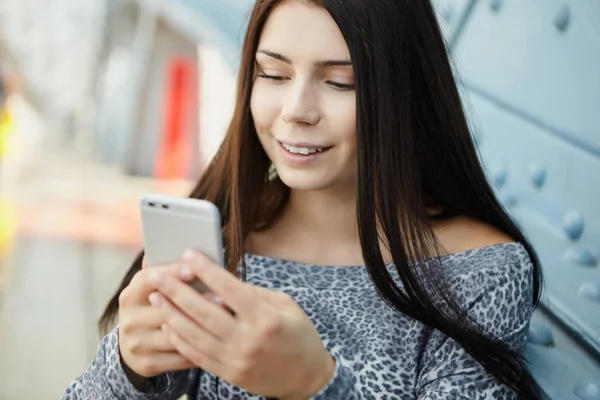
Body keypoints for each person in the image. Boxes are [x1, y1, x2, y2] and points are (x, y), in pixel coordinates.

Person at [61, 0, 544, 398]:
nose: (296, 112)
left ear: (404, 93)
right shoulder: (217, 248)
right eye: (273, 74)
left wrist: (316, 386)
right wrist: (125, 370)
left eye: (340, 82)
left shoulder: (482, 271)